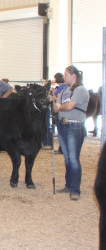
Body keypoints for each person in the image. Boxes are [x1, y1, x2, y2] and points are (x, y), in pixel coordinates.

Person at [52, 65, 89, 201]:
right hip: (62, 125)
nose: (64, 77)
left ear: (74, 75)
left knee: (73, 159)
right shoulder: (63, 92)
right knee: (67, 158)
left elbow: (70, 106)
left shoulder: (81, 90)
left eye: (66, 74)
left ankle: (75, 190)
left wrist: (60, 106)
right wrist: (53, 101)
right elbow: (57, 109)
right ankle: (68, 185)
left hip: (74, 125)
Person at [52, 72, 69, 154]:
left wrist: (52, 94)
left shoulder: (60, 87)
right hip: (64, 110)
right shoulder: (66, 86)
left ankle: (61, 148)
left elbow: (58, 99)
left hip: (59, 109)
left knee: (61, 130)